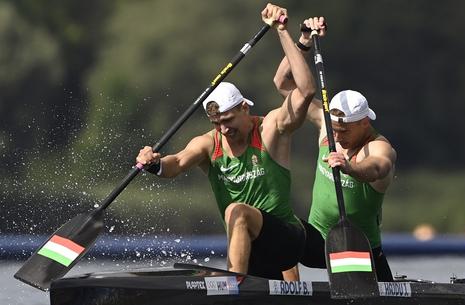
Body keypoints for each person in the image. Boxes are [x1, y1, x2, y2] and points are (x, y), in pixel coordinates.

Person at [135, 4, 315, 281]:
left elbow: (306, 91)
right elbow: (177, 163)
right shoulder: (209, 144)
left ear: (245, 107)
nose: (223, 128)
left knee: (237, 211)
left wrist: (283, 32)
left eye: (228, 120)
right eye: (216, 123)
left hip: (288, 241)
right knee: (240, 224)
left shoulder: (271, 129)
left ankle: (234, 286)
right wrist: (154, 163)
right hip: (253, 250)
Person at [273, 17, 397, 282]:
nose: (337, 136)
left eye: (345, 130)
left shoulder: (379, 147)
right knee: (277, 230)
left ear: (364, 122)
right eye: (335, 129)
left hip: (360, 250)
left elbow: (378, 168)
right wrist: (304, 41)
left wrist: (349, 167)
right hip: (318, 242)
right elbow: (283, 82)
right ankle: (283, 289)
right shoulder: (325, 124)